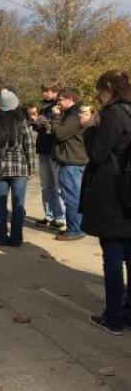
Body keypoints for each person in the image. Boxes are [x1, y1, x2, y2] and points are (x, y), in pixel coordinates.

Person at [80, 70, 131, 336]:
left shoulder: (113, 114)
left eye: (100, 92)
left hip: (112, 193)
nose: (99, 97)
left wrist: (90, 130)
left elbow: (98, 153)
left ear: (109, 88)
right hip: (127, 193)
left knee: (112, 256)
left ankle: (113, 317)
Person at [0, 89, 35, 247]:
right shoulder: (22, 122)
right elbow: (29, 147)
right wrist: (31, 168)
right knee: (18, 205)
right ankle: (16, 239)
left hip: (0, 170)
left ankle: (0, 237)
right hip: (20, 169)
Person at [50, 87, 88, 241]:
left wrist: (56, 117)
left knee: (71, 197)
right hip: (73, 160)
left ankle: (75, 230)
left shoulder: (74, 115)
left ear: (69, 99)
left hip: (72, 161)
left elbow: (60, 134)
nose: (58, 103)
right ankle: (78, 227)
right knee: (74, 196)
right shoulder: (73, 113)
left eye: (60, 100)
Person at [32, 81, 66, 231]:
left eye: (47, 90)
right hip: (43, 148)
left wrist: (42, 121)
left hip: (55, 149)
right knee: (46, 185)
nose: (44, 93)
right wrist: (34, 120)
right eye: (44, 90)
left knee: (58, 186)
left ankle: (61, 217)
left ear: (55, 91)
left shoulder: (61, 105)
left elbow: (59, 126)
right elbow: (39, 127)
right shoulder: (44, 105)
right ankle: (49, 215)